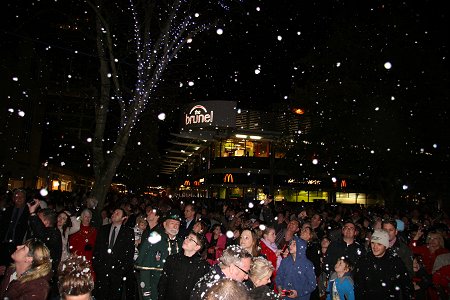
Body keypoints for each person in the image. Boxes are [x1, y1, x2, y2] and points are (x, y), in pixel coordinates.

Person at [135, 209, 182, 300]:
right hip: (155, 287)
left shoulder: (181, 243)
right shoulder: (154, 240)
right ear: (164, 224)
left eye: (177, 224)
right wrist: (146, 293)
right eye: (172, 223)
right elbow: (145, 269)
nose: (175, 226)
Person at [354, 229, 412, 299]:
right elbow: (358, 287)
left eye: (379, 244)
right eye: (373, 243)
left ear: (385, 245)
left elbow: (406, 285)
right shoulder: (364, 261)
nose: (375, 247)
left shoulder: (395, 262)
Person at [92, 208, 135, 300]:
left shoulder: (128, 232)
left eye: (117, 213)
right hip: (102, 270)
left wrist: (122, 269)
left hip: (117, 273)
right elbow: (97, 249)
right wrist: (97, 266)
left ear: (124, 218)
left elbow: (129, 254)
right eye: (114, 212)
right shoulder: (103, 229)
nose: (114, 214)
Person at [158, 231, 210, 300]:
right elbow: (163, 283)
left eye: (191, 239)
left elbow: (201, 291)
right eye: (187, 237)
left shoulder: (202, 266)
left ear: (197, 247)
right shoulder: (172, 259)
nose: (186, 240)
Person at [0, 189, 30, 267]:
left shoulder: (29, 211)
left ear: (25, 198)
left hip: (19, 245)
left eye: (22, 197)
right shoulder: (8, 210)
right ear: (13, 198)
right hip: (5, 243)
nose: (19, 199)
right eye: (17, 196)